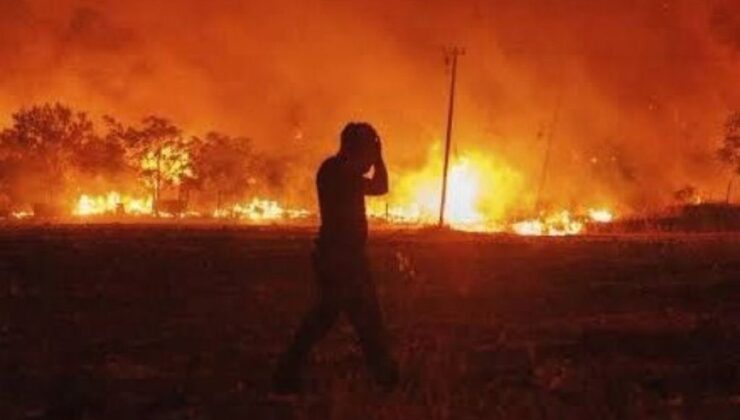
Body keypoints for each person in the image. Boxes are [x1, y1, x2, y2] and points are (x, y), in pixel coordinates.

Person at [273, 122, 399, 394]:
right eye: (366, 151)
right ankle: (286, 372)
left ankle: (385, 375)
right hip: (338, 259)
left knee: (359, 317)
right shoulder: (335, 170)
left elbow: (380, 187)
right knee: (339, 317)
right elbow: (378, 185)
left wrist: (376, 156)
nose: (369, 160)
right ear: (355, 148)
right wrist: (377, 157)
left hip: (348, 258)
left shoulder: (342, 171)